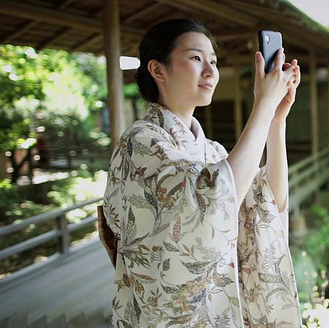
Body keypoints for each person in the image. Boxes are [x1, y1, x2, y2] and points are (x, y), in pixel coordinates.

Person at [98, 18, 302, 327]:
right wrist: (262, 102)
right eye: (196, 58)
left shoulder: (214, 152)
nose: (210, 71)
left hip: (221, 311)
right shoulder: (139, 143)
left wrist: (276, 121)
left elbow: (268, 202)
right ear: (158, 70)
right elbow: (209, 202)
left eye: (214, 62)